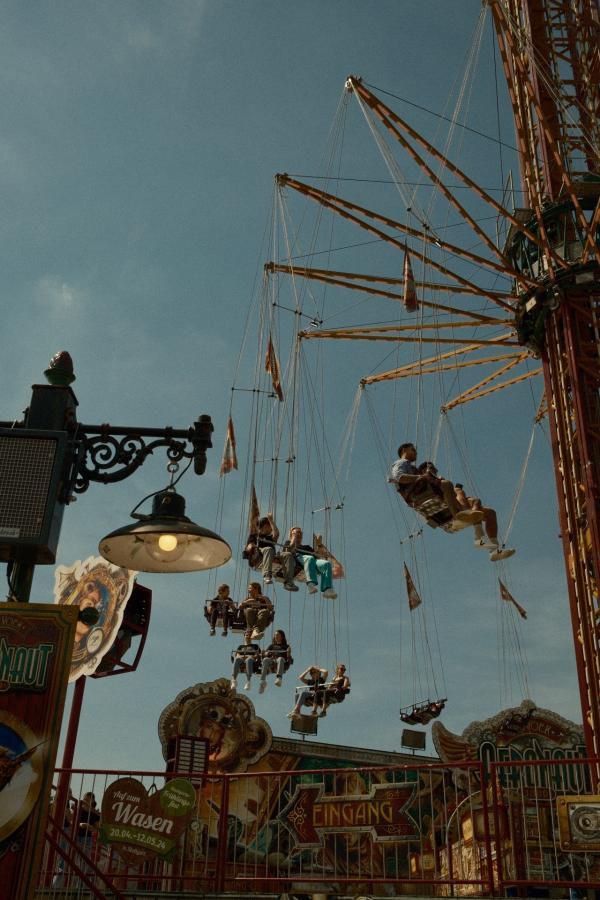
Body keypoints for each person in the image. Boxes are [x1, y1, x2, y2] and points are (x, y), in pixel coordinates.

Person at [390, 444, 482, 525]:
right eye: (413, 449)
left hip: (419, 493)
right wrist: (422, 477)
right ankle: (458, 516)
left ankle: (468, 519)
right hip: (418, 494)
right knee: (447, 484)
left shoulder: (410, 466)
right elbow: (399, 477)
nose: (416, 453)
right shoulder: (401, 463)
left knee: (452, 488)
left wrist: (433, 479)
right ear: (404, 450)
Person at [454, 483, 516, 561]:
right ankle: (479, 538)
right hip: (456, 510)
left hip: (463, 506)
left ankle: (494, 550)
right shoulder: (453, 489)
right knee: (470, 497)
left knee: (491, 513)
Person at [280, 527, 337, 599]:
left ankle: (327, 589)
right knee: (309, 558)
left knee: (326, 564)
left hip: (312, 561)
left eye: (299, 533)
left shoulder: (306, 547)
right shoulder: (288, 543)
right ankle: (310, 584)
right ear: (291, 535)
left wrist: (319, 544)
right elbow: (287, 552)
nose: (298, 534)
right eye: (295, 533)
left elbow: (317, 556)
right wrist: (293, 539)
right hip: (297, 558)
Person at [243, 514, 280, 585]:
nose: (271, 529)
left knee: (285, 555)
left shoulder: (269, 537)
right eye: (270, 526)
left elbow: (276, 535)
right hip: (258, 555)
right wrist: (250, 546)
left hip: (269, 556)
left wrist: (271, 521)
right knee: (268, 549)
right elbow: (248, 547)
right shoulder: (254, 535)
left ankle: (287, 580)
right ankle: (267, 575)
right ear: (265, 526)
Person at [259, 629, 292, 693]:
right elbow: (266, 654)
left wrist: (288, 653)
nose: (276, 636)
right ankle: (263, 681)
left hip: (281, 662)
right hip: (272, 661)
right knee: (265, 660)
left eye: (277, 635)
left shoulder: (286, 646)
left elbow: (289, 658)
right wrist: (265, 653)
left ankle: (279, 678)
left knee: (280, 658)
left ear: (282, 637)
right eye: (275, 635)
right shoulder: (271, 646)